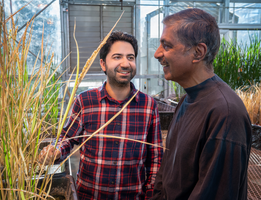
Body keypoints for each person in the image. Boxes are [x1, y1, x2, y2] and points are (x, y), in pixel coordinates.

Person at [39, 31, 163, 200]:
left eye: (131, 57)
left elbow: (155, 157)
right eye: (117, 57)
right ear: (103, 64)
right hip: (89, 195)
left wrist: (150, 194)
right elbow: (67, 138)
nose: (125, 63)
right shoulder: (85, 101)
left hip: (133, 195)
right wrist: (55, 151)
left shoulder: (148, 105)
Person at [151, 8, 252, 200]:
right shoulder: (186, 100)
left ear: (198, 52)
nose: (157, 54)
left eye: (167, 46)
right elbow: (166, 173)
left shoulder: (225, 113)